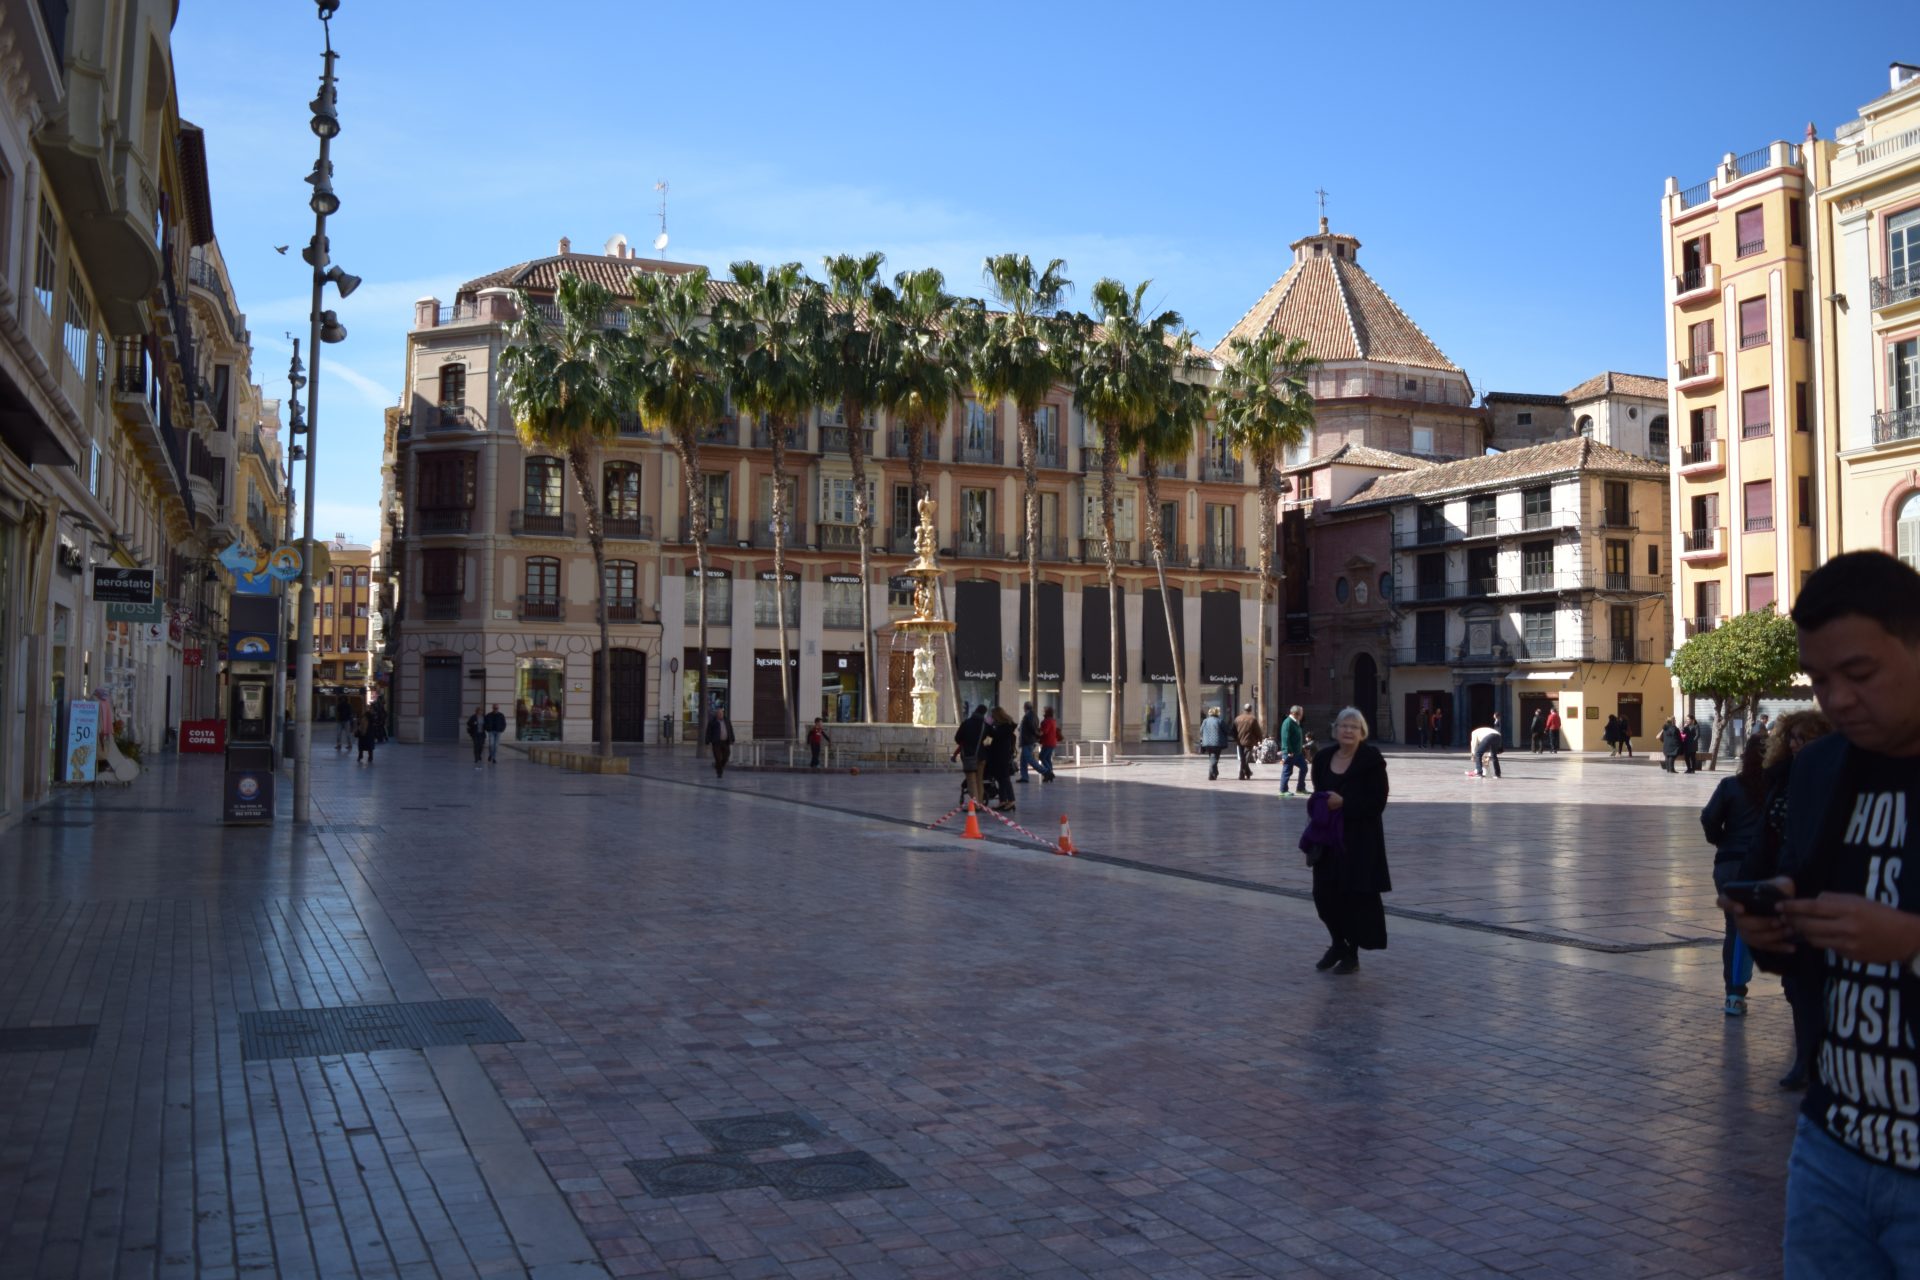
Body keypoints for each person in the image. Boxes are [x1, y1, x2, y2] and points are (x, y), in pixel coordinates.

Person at [1721, 552, 1920, 1276]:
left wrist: (1909, 942)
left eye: (1858, 674)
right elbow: (1809, 920)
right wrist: (1774, 927)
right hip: (1833, 1145)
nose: (1836, 700)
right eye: (1819, 680)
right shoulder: (1819, 769)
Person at [1745, 708, 1835, 1090]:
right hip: (1782, 878)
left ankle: (1815, 1059)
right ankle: (1805, 1058)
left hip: (1817, 888)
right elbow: (1768, 832)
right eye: (1793, 738)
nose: (1797, 745)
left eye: (1805, 739)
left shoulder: (1830, 776)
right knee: (1796, 982)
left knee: (1814, 980)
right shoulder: (1781, 777)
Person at [1307, 707, 1391, 974]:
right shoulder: (1323, 758)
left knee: (1352, 898)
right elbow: (1318, 789)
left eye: (1354, 727)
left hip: (1359, 843)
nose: (1348, 731)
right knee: (1323, 896)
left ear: (1362, 732)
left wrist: (1345, 803)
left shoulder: (1371, 760)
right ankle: (1338, 943)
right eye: (1344, 726)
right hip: (1328, 840)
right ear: (1335, 730)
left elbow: (1377, 802)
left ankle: (1351, 954)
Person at [1701, 738, 1768, 1016]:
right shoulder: (1779, 788)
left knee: (1734, 928)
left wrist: (1721, 840)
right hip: (1763, 866)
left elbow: (1709, 818)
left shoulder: (1730, 786)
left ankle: (1734, 994)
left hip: (1729, 865)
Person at [952, 704, 988, 804]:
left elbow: (957, 738)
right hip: (981, 755)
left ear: (975, 711)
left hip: (969, 756)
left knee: (971, 781)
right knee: (979, 780)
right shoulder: (984, 725)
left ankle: (975, 805)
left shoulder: (967, 723)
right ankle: (980, 803)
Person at [985, 707, 1018, 812]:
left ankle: (1011, 800)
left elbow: (996, 736)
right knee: (1000, 779)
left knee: (1005, 779)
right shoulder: (1001, 726)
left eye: (993, 716)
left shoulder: (1006, 727)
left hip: (1002, 757)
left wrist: (988, 726)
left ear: (998, 716)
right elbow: (991, 739)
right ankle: (1003, 801)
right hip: (998, 756)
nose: (992, 718)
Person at [1279, 705, 1309, 796]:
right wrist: (1288, 751)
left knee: (1304, 768)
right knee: (1287, 771)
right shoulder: (1288, 723)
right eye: (1301, 714)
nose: (1302, 716)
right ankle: (1283, 790)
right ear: (1295, 714)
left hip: (1298, 753)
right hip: (1290, 753)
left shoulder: (1296, 722)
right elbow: (1285, 738)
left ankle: (1300, 788)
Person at [1231, 702, 1263, 780]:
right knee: (1245, 759)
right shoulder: (1252, 719)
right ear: (1250, 710)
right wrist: (1260, 739)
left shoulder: (1237, 718)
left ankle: (1246, 773)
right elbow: (1257, 731)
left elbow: (1233, 731)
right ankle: (1242, 773)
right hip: (1249, 741)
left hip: (1240, 741)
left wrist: (1236, 739)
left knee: (1243, 758)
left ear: (1244, 709)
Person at [704, 705, 735, 778]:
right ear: (717, 714)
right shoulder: (712, 722)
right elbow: (708, 732)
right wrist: (707, 740)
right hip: (716, 742)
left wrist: (732, 738)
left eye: (721, 713)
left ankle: (718, 766)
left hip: (725, 742)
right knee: (718, 758)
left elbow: (730, 730)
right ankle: (719, 772)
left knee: (726, 757)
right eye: (719, 714)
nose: (721, 715)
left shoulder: (727, 721)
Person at [1199, 707, 1225, 780]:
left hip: (1207, 743)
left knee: (1212, 757)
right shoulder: (1220, 721)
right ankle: (1212, 773)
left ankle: (1213, 774)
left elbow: (1201, 731)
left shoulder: (1205, 721)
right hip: (1217, 743)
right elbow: (1227, 730)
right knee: (1215, 757)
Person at [1017, 702, 1041, 782]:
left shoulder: (1029, 715)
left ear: (1025, 707)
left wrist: (1035, 735)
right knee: (1023, 761)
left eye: (1023, 707)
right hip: (1028, 740)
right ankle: (1024, 777)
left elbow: (1032, 727)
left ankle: (1045, 771)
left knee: (1029, 759)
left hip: (1028, 741)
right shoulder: (1032, 715)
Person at [1037, 707, 1059, 782]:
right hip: (1052, 742)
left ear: (1047, 712)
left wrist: (1037, 733)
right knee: (1047, 758)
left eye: (1043, 711)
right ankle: (1050, 773)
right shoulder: (1053, 720)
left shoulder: (1047, 721)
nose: (1042, 712)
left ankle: (1049, 773)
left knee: (1042, 757)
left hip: (1047, 742)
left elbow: (1044, 731)